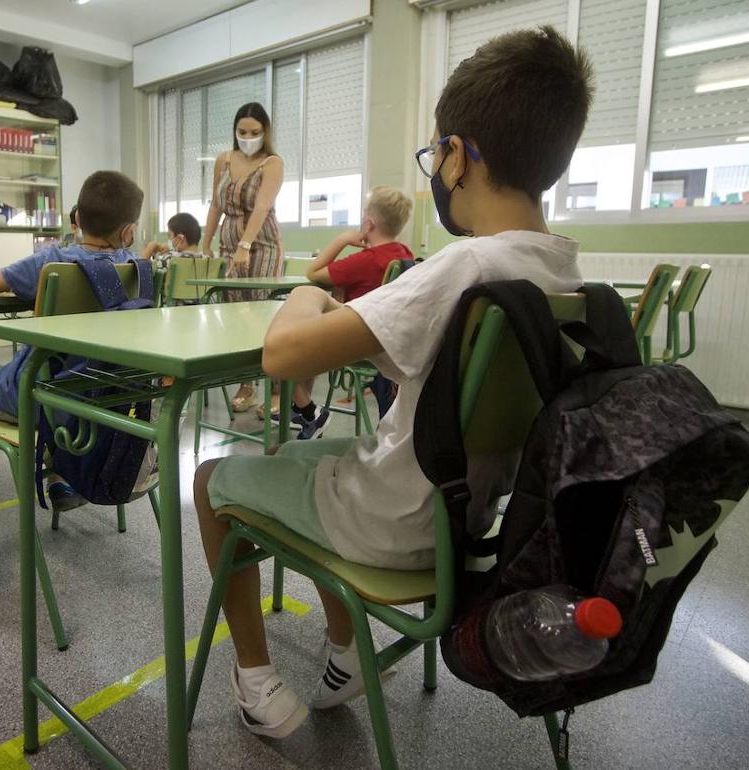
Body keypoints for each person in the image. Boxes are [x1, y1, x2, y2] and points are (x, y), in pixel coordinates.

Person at [192, 27, 592, 738]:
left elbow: (285, 355)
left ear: (460, 156)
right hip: (469, 523)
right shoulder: (563, 273)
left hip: (390, 519)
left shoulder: (465, 267)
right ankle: (347, 654)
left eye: (435, 151)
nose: (435, 167)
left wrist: (307, 297)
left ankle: (253, 677)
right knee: (310, 459)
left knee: (211, 481)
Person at [0, 170, 146, 569]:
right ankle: (61, 478)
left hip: (36, 394)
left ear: (77, 219)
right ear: (128, 232)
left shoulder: (52, 262)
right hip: (102, 402)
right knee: (63, 387)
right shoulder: (137, 269)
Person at [200, 102, 285, 413]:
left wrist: (245, 246)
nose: (248, 137)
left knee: (262, 313)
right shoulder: (224, 160)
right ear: (235, 132)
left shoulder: (272, 163)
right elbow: (215, 205)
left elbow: (262, 207)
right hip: (229, 242)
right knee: (235, 313)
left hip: (261, 244)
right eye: (242, 132)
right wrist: (205, 242)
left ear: (265, 132)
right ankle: (247, 384)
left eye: (255, 132)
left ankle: (276, 388)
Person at [305, 185, 415, 421]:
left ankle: (303, 410)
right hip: (390, 342)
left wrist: (343, 239)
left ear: (369, 223)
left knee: (300, 340)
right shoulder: (405, 253)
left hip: (359, 342)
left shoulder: (365, 261)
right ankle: (303, 409)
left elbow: (312, 272)